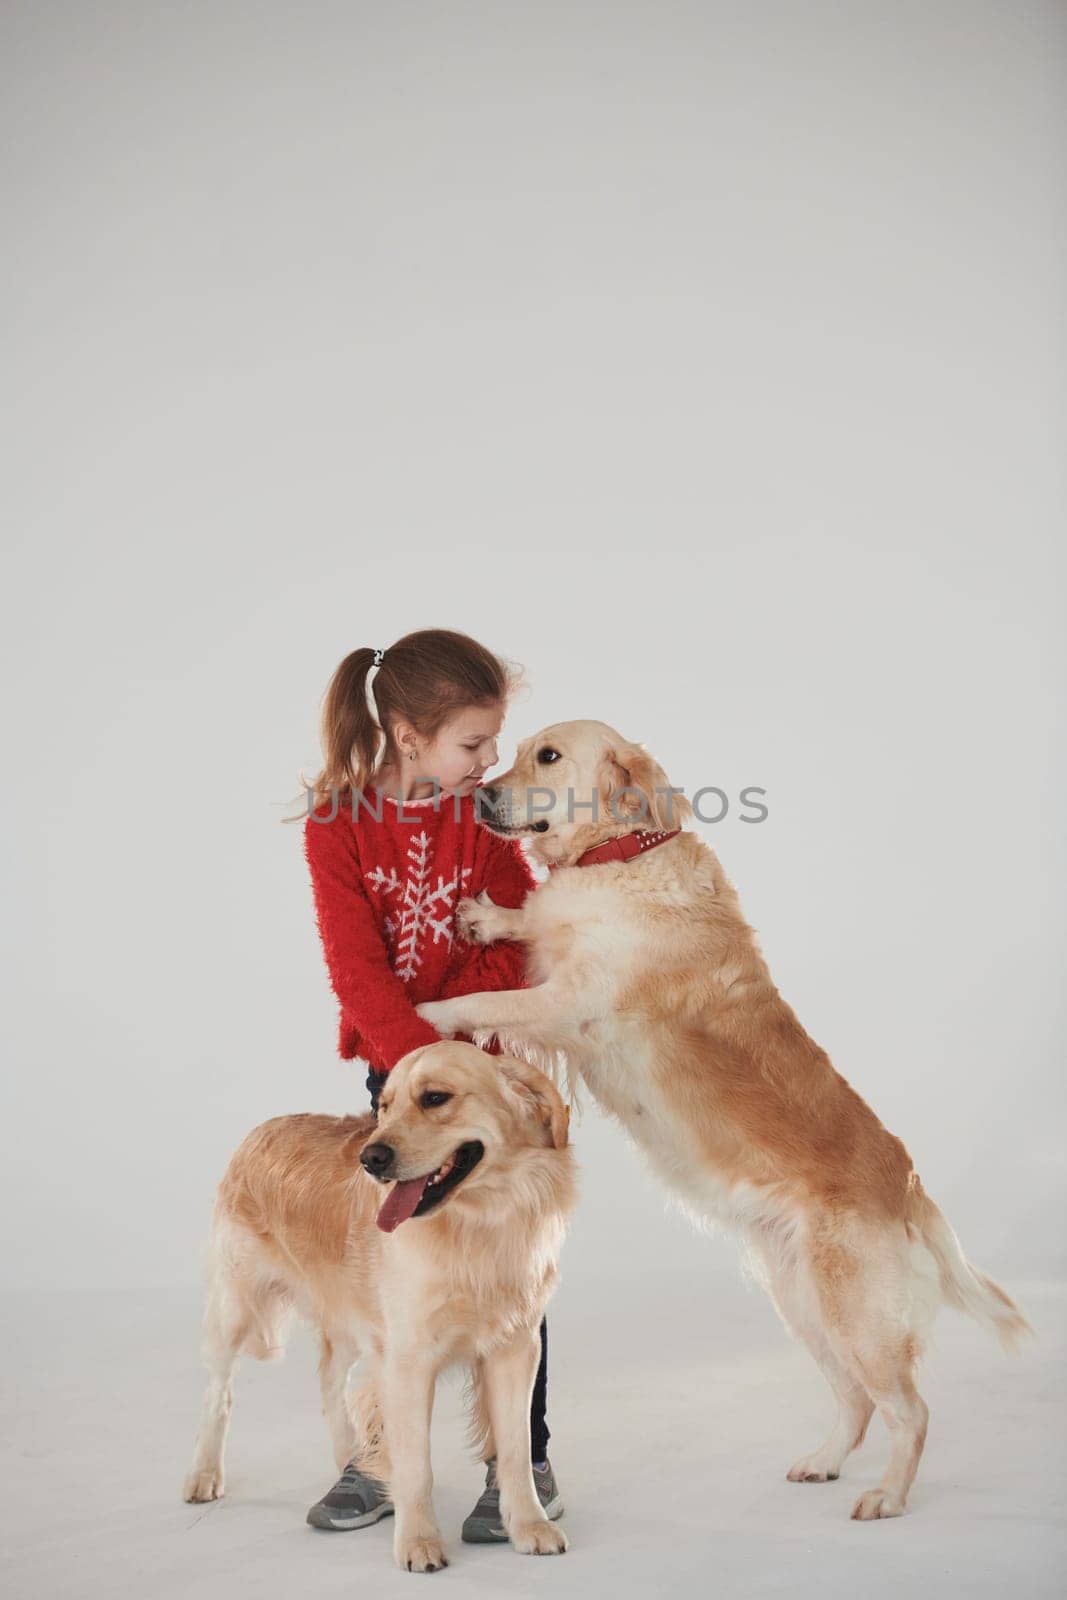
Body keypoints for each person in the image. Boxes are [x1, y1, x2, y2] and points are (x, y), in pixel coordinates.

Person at [295, 628, 562, 1541]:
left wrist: (481, 1053)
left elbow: (517, 934)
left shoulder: (477, 815)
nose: (490, 761)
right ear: (409, 737)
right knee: (398, 1263)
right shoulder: (337, 826)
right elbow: (356, 969)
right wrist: (421, 1067)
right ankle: (381, 1458)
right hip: (400, 1068)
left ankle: (518, 1459)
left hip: (487, 1065)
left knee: (511, 1268)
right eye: (474, 743)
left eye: (494, 743)